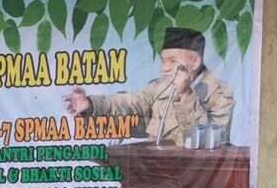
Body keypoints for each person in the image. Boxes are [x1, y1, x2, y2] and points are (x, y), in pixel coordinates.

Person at [63, 28, 235, 147]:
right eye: (163, 60)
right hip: (155, 177)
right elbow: (130, 105)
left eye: (173, 61)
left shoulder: (219, 96)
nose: (165, 68)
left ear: (195, 61)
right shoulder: (160, 88)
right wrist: (93, 106)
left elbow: (211, 145)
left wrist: (185, 95)